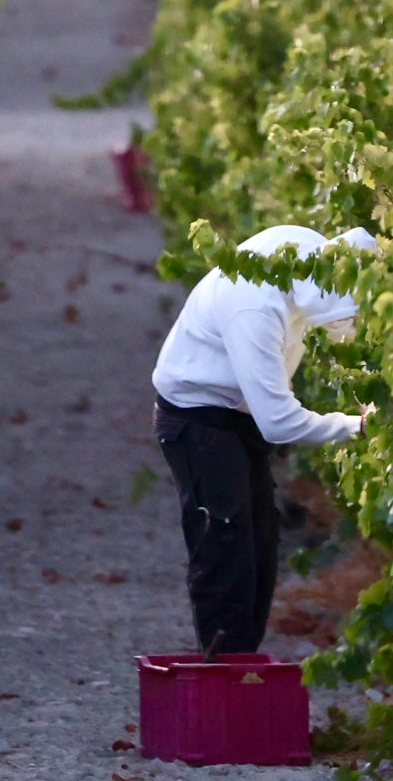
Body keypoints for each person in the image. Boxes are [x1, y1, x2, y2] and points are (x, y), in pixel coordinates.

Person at [151, 224, 374, 656]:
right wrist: (356, 426)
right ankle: (225, 675)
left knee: (260, 542)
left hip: (237, 414)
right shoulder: (254, 307)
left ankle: (241, 665)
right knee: (225, 545)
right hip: (197, 417)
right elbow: (278, 423)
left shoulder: (306, 260)